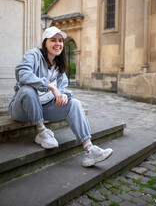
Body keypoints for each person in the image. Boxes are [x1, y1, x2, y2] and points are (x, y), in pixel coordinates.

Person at [8, 26, 113, 167]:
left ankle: (90, 150)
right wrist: (50, 86)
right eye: (53, 40)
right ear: (45, 42)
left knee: (74, 103)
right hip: (21, 109)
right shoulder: (33, 54)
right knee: (28, 90)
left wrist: (63, 94)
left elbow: (63, 88)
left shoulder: (59, 64)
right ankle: (42, 132)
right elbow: (23, 75)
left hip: (43, 107)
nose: (58, 44)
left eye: (60, 40)